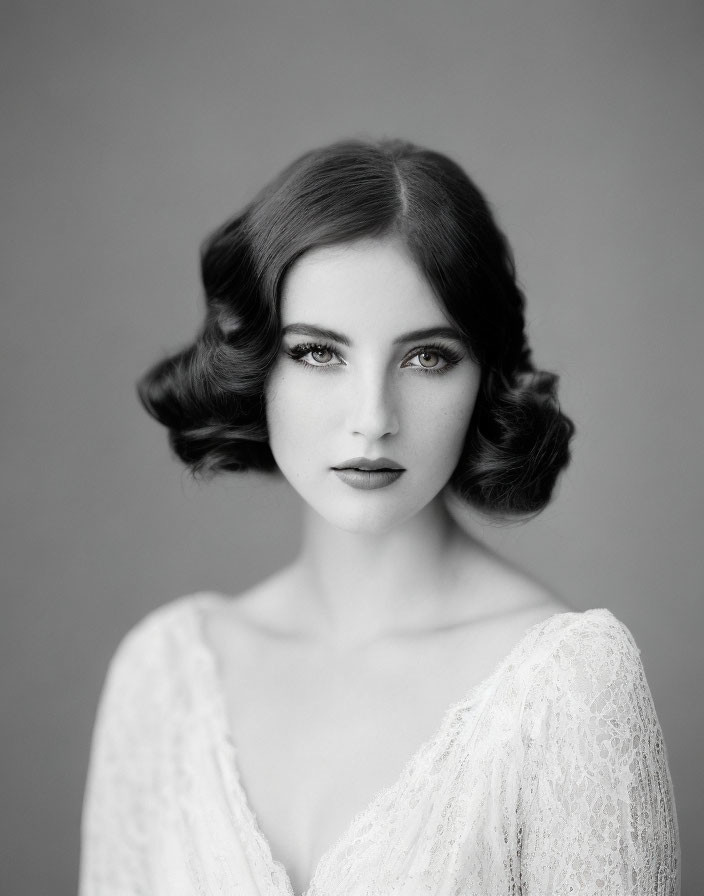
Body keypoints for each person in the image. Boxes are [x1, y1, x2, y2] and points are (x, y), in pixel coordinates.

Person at [79, 139, 680, 895]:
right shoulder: (163, 675)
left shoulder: (567, 689)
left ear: (484, 376)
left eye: (427, 357)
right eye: (318, 353)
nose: (373, 419)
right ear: (256, 362)